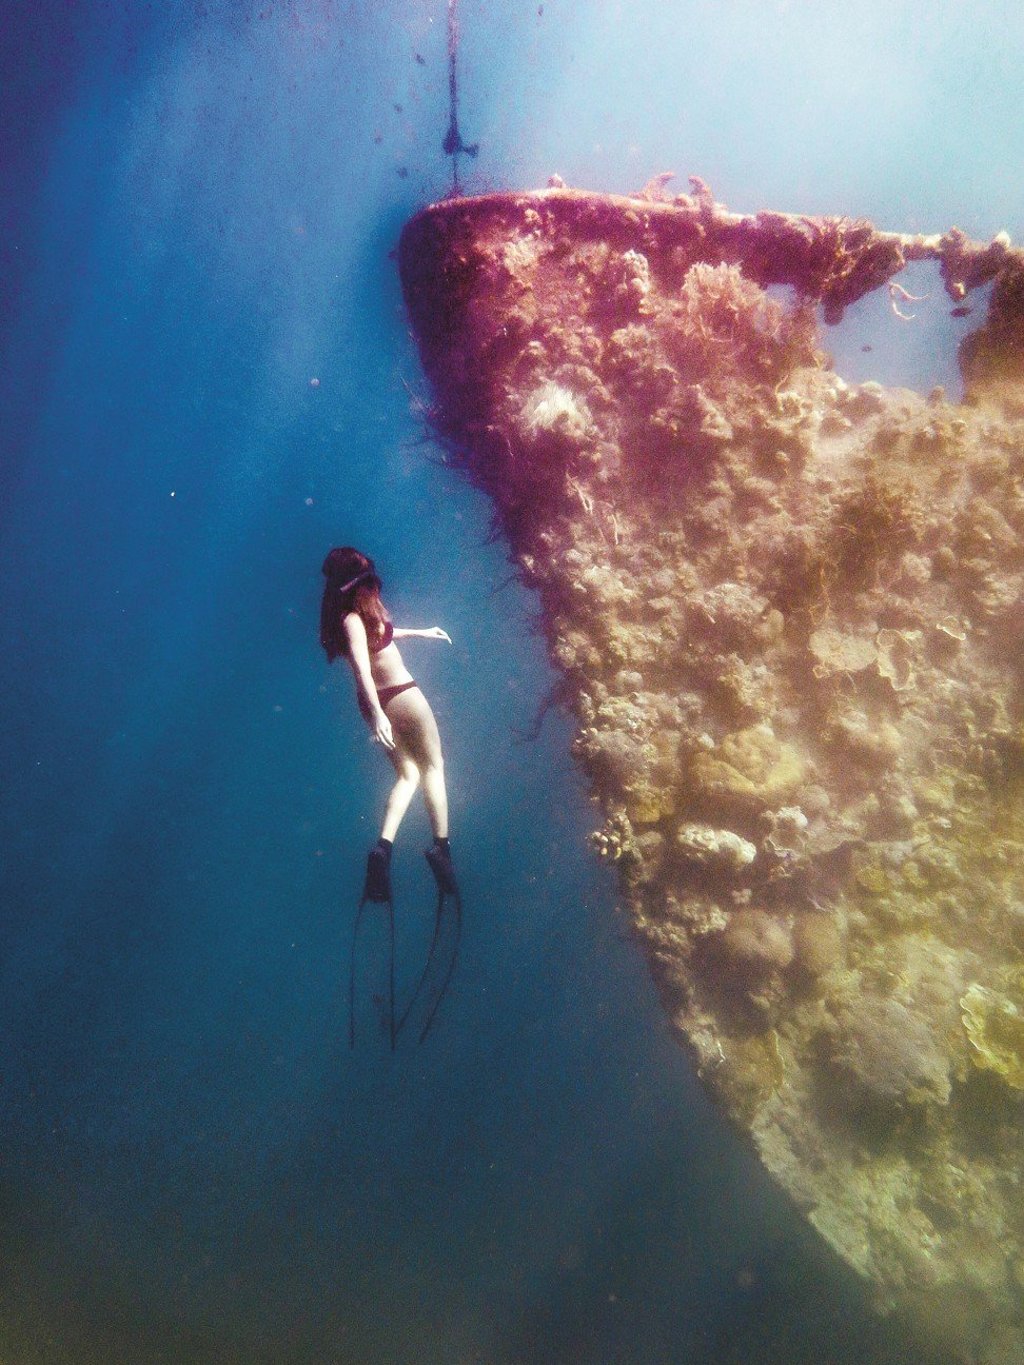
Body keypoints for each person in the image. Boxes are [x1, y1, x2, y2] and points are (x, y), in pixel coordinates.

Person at [320, 546, 457, 904]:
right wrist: (381, 713)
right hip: (399, 696)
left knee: (408, 775)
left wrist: (423, 632)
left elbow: (383, 636)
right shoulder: (353, 619)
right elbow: (362, 668)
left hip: (377, 703)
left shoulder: (352, 617)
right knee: (434, 766)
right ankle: (441, 848)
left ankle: (383, 849)